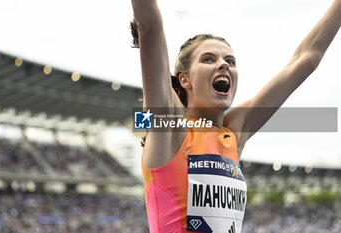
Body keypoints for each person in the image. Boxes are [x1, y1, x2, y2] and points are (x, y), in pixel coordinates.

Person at [130, 0, 341, 232]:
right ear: (185, 80)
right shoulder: (170, 130)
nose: (224, 65)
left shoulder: (233, 134)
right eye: (209, 59)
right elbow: (149, 26)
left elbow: (306, 59)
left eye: (230, 61)